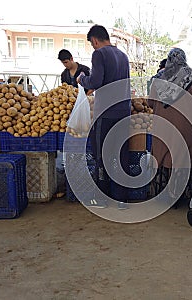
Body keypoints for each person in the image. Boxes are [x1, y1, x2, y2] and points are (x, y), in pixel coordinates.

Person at [76, 24, 131, 208]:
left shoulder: (99, 54)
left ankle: (101, 198)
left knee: (101, 155)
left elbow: (96, 81)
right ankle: (122, 199)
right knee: (121, 155)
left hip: (106, 114)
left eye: (92, 44)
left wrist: (82, 78)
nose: (94, 47)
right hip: (124, 113)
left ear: (95, 40)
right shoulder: (123, 56)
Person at [149, 48, 192, 204]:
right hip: (186, 128)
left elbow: (150, 102)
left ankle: (163, 191)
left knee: (164, 154)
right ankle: (182, 191)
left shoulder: (159, 78)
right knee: (183, 156)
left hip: (162, 129)